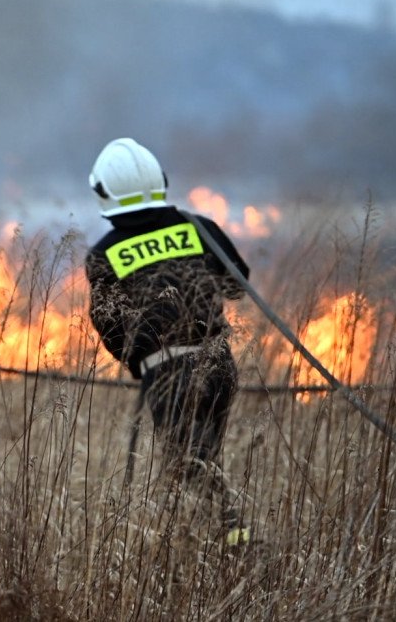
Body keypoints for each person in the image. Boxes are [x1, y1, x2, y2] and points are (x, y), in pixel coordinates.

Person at [84, 138, 251, 541]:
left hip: (168, 373)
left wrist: (140, 361)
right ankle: (205, 549)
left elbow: (107, 324)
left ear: (104, 192)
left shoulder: (104, 253)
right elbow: (237, 286)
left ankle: (237, 544)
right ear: (160, 181)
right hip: (219, 365)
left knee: (190, 467)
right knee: (202, 457)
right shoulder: (199, 228)